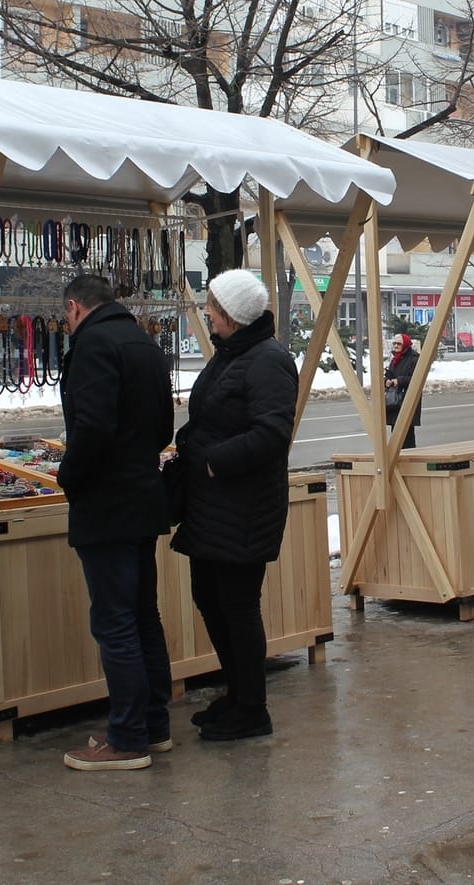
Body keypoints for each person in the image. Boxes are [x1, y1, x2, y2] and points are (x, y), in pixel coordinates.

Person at [58, 274, 176, 772]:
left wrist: (69, 476)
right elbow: (163, 428)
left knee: (115, 621)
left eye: (65, 318)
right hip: (143, 497)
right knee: (142, 613)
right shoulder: (143, 345)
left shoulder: (92, 346)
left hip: (106, 503)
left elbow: (92, 428)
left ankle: (127, 738)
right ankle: (154, 724)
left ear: (74, 308)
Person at [174, 269, 298, 742]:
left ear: (232, 313)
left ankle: (252, 708)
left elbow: (271, 434)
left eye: (211, 305)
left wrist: (211, 463)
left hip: (243, 507)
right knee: (209, 597)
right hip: (215, 507)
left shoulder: (267, 361)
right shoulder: (232, 354)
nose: (206, 312)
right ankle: (237, 691)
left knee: (237, 605)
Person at [384, 332, 422, 449]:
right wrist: (387, 381)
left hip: (407, 400)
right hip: (395, 401)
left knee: (407, 435)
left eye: (399, 344)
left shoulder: (414, 359)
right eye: (394, 343)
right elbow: (389, 375)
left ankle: (410, 460)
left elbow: (417, 378)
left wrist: (398, 381)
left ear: (405, 345)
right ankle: (398, 458)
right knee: (396, 434)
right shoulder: (395, 359)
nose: (395, 346)